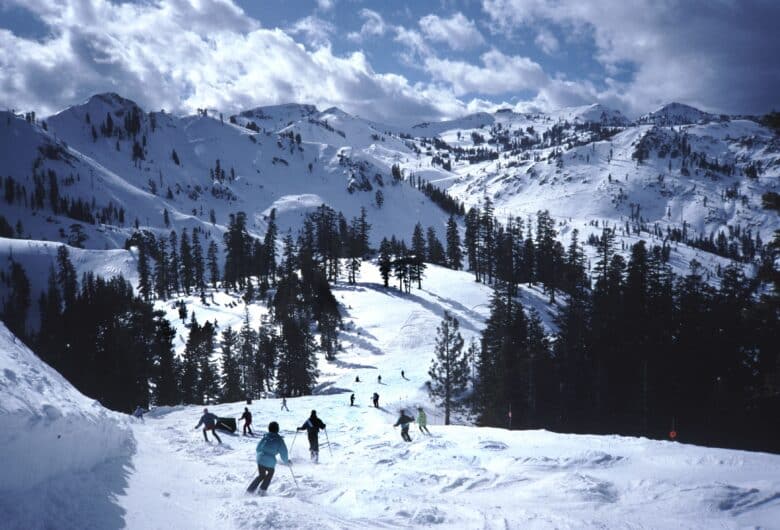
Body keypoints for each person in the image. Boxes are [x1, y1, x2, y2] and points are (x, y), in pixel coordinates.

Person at [247, 421, 290, 496]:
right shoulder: (279, 440)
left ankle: (250, 490)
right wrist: (286, 461)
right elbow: (284, 452)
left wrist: (261, 455)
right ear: (277, 429)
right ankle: (262, 490)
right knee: (270, 472)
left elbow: (258, 448)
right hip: (270, 460)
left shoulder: (265, 437)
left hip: (260, 458)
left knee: (261, 475)